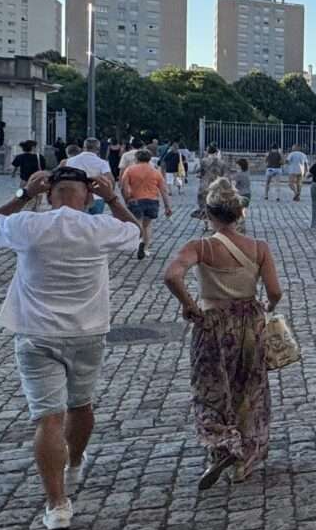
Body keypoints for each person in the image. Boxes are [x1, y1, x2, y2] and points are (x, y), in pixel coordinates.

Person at [0, 165, 143, 530]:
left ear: (49, 194)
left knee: (48, 418)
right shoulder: (98, 227)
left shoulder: (29, 225)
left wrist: (24, 195)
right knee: (81, 405)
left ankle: (57, 505)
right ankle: (73, 463)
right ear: (87, 196)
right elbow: (135, 233)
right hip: (87, 330)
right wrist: (112, 198)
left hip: (36, 332)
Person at [161, 177, 282, 488]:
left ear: (209, 214)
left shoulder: (200, 247)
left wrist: (189, 304)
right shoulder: (259, 248)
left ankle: (223, 443)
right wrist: (268, 307)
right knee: (250, 388)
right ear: (240, 213)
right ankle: (244, 461)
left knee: (210, 387)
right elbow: (275, 291)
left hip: (213, 322)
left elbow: (172, 275)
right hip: (250, 323)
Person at [119, 148, 171, 259]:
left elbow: (123, 187)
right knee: (147, 226)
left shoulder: (130, 170)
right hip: (152, 201)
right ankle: (146, 248)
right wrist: (167, 206)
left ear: (136, 159)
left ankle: (138, 244)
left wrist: (126, 199)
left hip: (136, 200)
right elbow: (163, 190)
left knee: (137, 224)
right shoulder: (155, 171)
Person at [195, 145, 227, 219]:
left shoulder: (204, 161)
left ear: (208, 152)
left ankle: (206, 221)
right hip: (216, 187)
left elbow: (199, 172)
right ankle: (214, 222)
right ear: (216, 152)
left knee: (204, 205)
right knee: (216, 205)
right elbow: (224, 175)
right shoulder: (222, 163)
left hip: (205, 186)